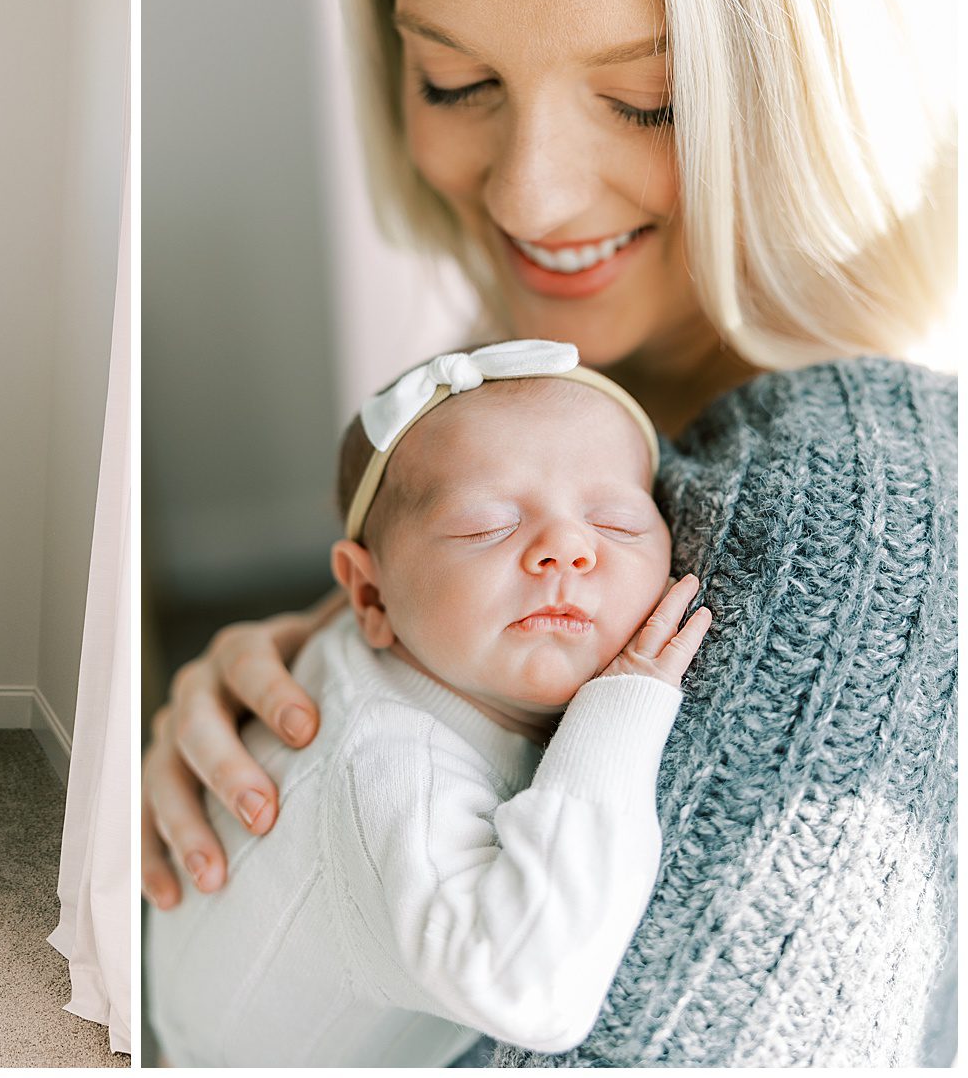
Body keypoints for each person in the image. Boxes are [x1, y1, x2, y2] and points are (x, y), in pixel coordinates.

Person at [143, 0, 956, 1067]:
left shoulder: (875, 510)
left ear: (817, 82)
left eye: (648, 100)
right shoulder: (518, 421)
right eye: (456, 79)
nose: (529, 197)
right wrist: (324, 714)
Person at [146, 342, 713, 1066]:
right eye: (485, 526)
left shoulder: (404, 644)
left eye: (616, 523)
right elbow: (532, 991)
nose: (567, 549)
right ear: (368, 594)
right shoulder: (389, 762)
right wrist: (620, 714)